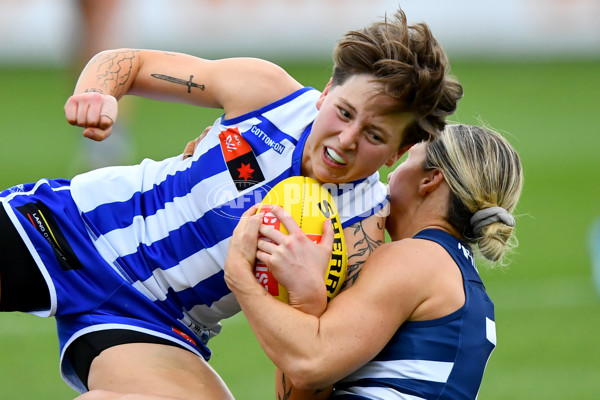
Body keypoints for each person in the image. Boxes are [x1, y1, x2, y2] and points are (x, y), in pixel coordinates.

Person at [0, 8, 462, 399]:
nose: (345, 139)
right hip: (68, 229)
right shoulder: (267, 94)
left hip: (155, 325)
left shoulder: (361, 236)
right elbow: (128, 60)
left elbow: (301, 379)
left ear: (397, 153)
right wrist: (99, 92)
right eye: (343, 112)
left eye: (374, 135)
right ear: (326, 91)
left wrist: (309, 303)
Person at [225, 123, 524, 399]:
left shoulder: (417, 258)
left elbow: (309, 364)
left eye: (407, 160)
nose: (390, 174)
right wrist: (307, 301)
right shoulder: (458, 277)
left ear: (430, 180)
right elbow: (305, 382)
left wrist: (240, 277)